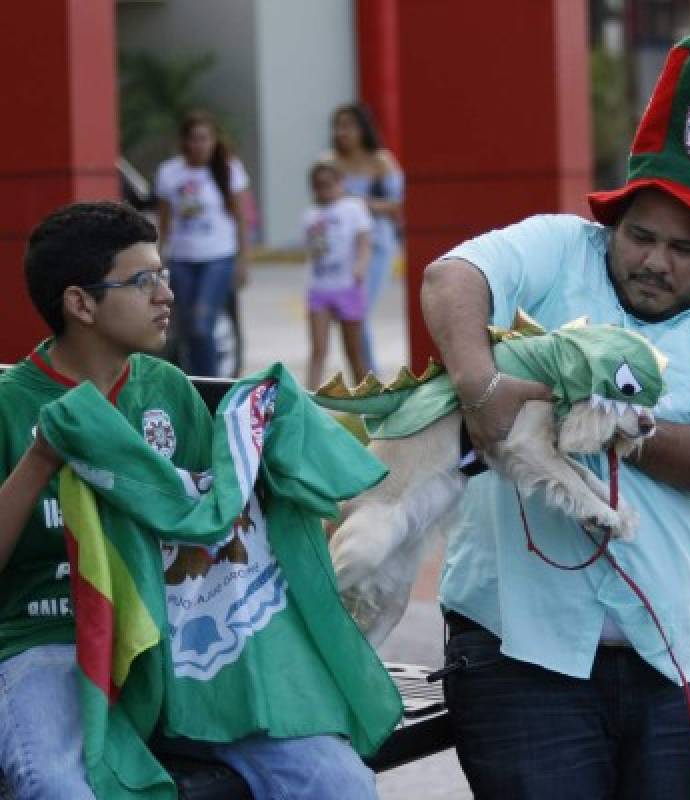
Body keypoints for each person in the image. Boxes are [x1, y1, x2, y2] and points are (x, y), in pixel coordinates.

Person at [420, 29, 690, 800]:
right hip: (518, 660)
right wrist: (482, 390)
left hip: (668, 660)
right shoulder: (558, 249)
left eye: (684, 248)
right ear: (613, 223)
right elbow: (450, 278)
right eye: (641, 236)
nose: (655, 261)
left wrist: (601, 413)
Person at [0, 201, 391, 799]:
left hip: (180, 643)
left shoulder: (167, 390)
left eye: (163, 275)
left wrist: (279, 459)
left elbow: (216, 523)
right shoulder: (10, 404)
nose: (167, 296)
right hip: (49, 639)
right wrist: (40, 462)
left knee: (335, 781)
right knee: (56, 787)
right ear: (81, 304)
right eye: (142, 281)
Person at [155, 109, 251, 377]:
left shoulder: (229, 169)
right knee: (185, 329)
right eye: (194, 139)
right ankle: (194, 384)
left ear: (214, 140)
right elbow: (165, 221)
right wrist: (158, 258)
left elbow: (242, 218)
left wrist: (243, 261)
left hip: (218, 256)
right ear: (185, 141)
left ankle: (212, 386)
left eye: (205, 138)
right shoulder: (170, 172)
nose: (199, 145)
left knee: (201, 323)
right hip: (182, 258)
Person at [325, 102, 405, 375]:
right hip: (340, 247)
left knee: (357, 310)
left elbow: (396, 204)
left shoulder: (381, 161)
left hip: (377, 244)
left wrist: (358, 202)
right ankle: (363, 379)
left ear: (362, 129)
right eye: (338, 126)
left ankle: (370, 378)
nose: (342, 132)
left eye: (348, 125)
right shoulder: (329, 162)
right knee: (348, 314)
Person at [302, 160, 373, 389]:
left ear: (340, 183)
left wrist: (361, 265)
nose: (325, 190)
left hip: (347, 285)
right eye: (319, 185)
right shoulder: (311, 214)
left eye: (329, 184)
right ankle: (309, 397)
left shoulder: (353, 208)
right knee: (318, 349)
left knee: (353, 350)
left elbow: (363, 240)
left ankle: (365, 397)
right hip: (320, 286)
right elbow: (312, 250)